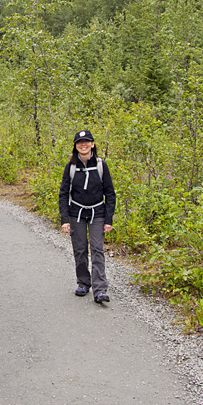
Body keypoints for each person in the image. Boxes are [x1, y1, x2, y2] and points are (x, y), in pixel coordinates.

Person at [58, 129, 116, 303]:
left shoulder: (100, 165)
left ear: (92, 144)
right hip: (76, 213)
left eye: (87, 141)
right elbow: (63, 194)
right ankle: (83, 282)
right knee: (80, 249)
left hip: (97, 213)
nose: (83, 144)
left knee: (98, 249)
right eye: (79, 142)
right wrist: (65, 219)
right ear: (76, 147)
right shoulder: (71, 167)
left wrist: (108, 219)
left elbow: (110, 194)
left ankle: (100, 289)